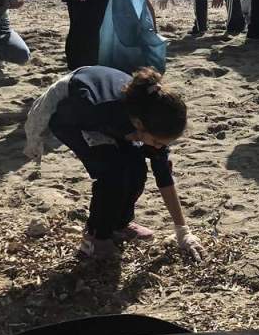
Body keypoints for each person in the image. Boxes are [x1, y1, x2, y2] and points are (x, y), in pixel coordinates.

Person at [24, 65, 205, 261]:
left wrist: (182, 230)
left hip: (115, 117)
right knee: (113, 172)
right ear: (138, 125)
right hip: (71, 114)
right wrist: (121, 136)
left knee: (137, 167)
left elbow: (163, 175)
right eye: (157, 142)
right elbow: (64, 119)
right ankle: (95, 238)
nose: (159, 147)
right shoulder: (99, 110)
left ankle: (119, 224)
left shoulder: (148, 116)